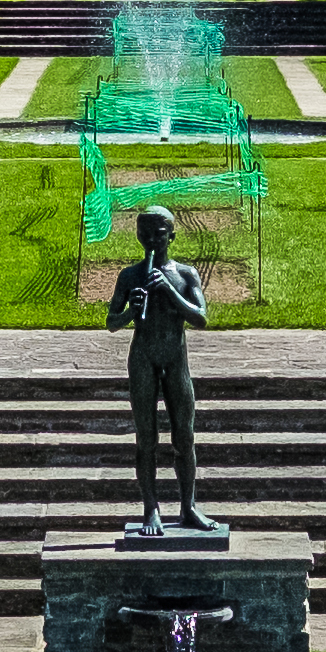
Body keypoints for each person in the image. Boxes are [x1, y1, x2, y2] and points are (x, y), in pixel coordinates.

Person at [105, 203, 219, 532]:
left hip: (175, 360)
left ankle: (188, 507)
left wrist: (169, 291)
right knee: (146, 438)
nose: (152, 240)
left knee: (184, 437)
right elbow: (111, 322)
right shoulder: (130, 276)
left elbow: (200, 318)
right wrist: (130, 312)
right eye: (146, 234)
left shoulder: (185, 275)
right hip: (143, 359)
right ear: (138, 236)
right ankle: (150, 509)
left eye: (159, 234)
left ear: (172, 236)